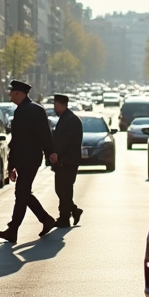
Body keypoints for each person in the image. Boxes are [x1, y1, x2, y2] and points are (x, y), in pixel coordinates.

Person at [0, 80, 58, 243]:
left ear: (19, 93)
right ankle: (44, 220)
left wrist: (51, 152)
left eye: (12, 92)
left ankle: (14, 230)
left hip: (31, 159)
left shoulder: (34, 110)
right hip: (23, 159)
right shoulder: (21, 111)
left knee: (21, 192)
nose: (10, 95)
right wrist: (11, 166)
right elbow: (16, 141)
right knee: (22, 193)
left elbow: (44, 134)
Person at [51, 94, 84, 228]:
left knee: (64, 189)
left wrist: (58, 154)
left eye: (56, 105)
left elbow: (68, 142)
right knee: (61, 189)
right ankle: (73, 211)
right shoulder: (65, 118)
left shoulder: (71, 120)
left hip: (68, 161)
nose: (55, 108)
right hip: (63, 161)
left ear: (63, 105)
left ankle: (65, 217)